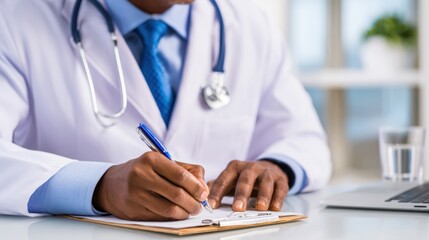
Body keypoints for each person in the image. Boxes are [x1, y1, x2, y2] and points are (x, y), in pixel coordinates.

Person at [0, 0, 331, 220]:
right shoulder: (15, 19)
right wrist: (99, 187)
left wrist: (277, 167)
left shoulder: (248, 23)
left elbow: (304, 138)